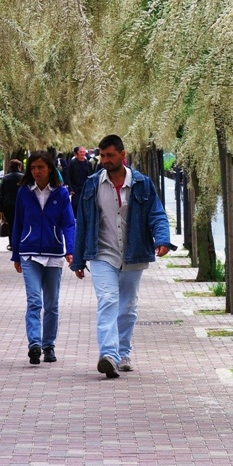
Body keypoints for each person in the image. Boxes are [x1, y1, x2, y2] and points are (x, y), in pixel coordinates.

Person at [72, 134, 174, 379]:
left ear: (122, 155)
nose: (105, 160)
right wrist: (78, 259)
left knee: (127, 307)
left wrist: (162, 239)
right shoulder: (92, 184)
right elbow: (83, 222)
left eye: (110, 156)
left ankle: (123, 353)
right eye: (102, 156)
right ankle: (108, 355)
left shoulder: (142, 183)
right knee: (108, 300)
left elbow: (157, 214)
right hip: (102, 253)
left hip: (134, 252)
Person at [11, 151, 75, 365]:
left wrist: (70, 249)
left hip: (54, 254)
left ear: (50, 169)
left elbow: (68, 223)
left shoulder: (61, 193)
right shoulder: (23, 192)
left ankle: (49, 346)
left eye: (41, 167)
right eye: (33, 168)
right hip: (29, 253)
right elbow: (17, 223)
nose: (36, 172)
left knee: (52, 304)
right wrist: (16, 255)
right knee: (34, 302)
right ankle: (34, 346)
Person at [0, 159, 24, 251]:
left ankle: (12, 244)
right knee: (21, 224)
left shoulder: (6, 178)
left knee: (11, 225)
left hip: (8, 205)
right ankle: (21, 242)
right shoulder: (23, 177)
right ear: (18, 167)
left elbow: (1, 193)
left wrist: (1, 208)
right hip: (21, 205)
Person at [67, 146, 94, 217]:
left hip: (85, 188)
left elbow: (91, 176)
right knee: (75, 205)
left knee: (85, 205)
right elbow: (68, 176)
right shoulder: (72, 163)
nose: (82, 153)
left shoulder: (88, 163)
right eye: (80, 152)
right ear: (77, 153)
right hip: (75, 188)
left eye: (83, 152)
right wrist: (70, 189)